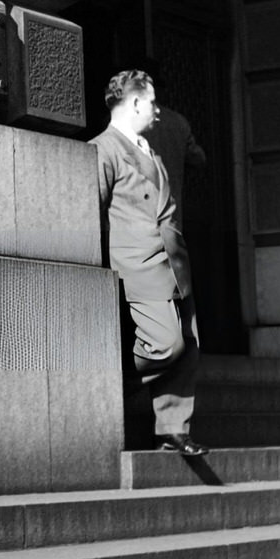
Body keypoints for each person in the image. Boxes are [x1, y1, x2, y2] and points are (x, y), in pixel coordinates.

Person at [90, 69, 206, 456]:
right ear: (135, 102)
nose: (158, 110)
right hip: (137, 265)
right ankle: (113, 382)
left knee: (187, 346)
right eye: (152, 102)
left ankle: (173, 429)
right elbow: (92, 213)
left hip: (174, 264)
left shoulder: (150, 150)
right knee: (165, 345)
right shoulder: (103, 149)